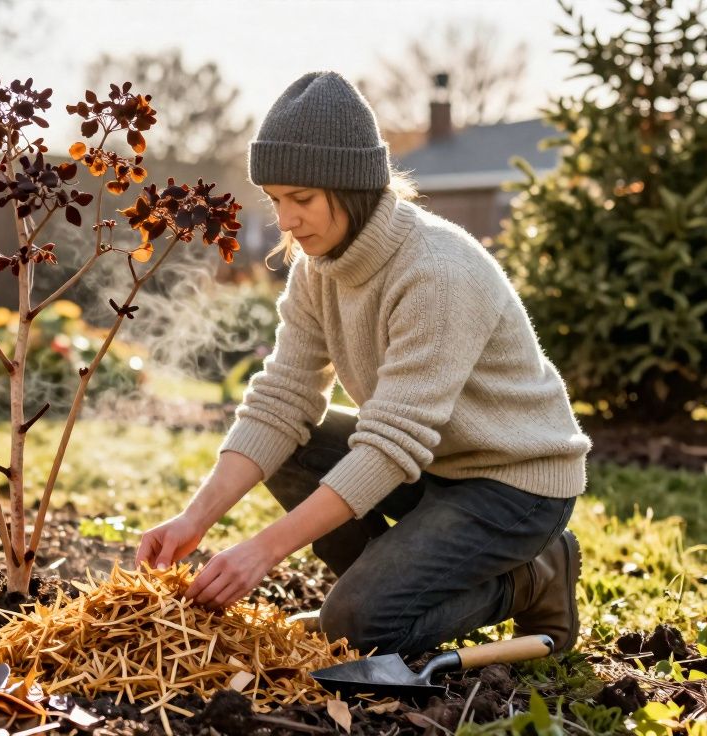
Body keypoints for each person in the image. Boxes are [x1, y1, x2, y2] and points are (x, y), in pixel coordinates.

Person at [135, 71, 591, 656]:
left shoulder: (436, 273)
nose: (287, 221)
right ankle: (382, 585)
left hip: (512, 483)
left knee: (357, 629)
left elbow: (390, 443)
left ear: (354, 188)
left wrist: (264, 549)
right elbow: (282, 399)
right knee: (290, 444)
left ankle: (534, 576)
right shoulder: (315, 268)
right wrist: (193, 520)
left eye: (302, 199)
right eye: (276, 200)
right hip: (434, 466)